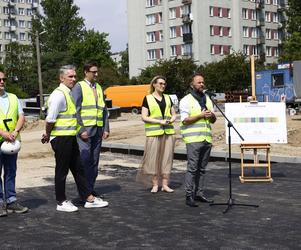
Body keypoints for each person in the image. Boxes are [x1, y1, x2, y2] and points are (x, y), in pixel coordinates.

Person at [41, 65, 108, 212]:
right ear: (61, 78)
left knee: (78, 169)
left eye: (74, 76)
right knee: (62, 170)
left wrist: (80, 131)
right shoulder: (59, 95)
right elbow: (50, 119)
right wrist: (47, 134)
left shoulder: (68, 93)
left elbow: (72, 118)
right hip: (61, 138)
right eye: (70, 76)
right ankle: (61, 201)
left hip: (70, 137)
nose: (73, 79)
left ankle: (88, 198)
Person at [71, 62, 109, 200]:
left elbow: (103, 109)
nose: (96, 74)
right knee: (85, 161)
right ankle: (85, 192)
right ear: (86, 72)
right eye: (94, 72)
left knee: (94, 162)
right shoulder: (79, 87)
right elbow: (74, 110)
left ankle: (90, 188)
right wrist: (80, 129)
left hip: (97, 131)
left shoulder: (98, 87)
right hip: (85, 133)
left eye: (97, 71)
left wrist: (106, 128)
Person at [179, 73, 216, 207]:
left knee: (202, 169)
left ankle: (199, 193)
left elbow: (213, 120)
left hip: (206, 138)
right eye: (199, 82)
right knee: (192, 168)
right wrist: (200, 115)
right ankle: (189, 195)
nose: (202, 84)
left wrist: (211, 115)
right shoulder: (186, 100)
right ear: (192, 84)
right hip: (193, 139)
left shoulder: (207, 99)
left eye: (203, 82)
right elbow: (185, 120)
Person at [137, 76, 177, 193]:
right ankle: (155, 184)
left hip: (168, 132)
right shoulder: (148, 98)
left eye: (164, 84)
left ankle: (165, 184)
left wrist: (173, 119)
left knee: (166, 159)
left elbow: (174, 113)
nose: (162, 86)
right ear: (154, 84)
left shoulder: (168, 98)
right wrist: (160, 121)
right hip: (154, 133)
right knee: (153, 159)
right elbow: (144, 117)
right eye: (160, 83)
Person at [0, 71, 28, 217]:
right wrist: (2, 133)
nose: (2, 82)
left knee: (11, 172)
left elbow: (21, 116)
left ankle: (11, 201)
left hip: (12, 141)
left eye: (4, 79)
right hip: (2, 139)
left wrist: (15, 132)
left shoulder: (13, 97)